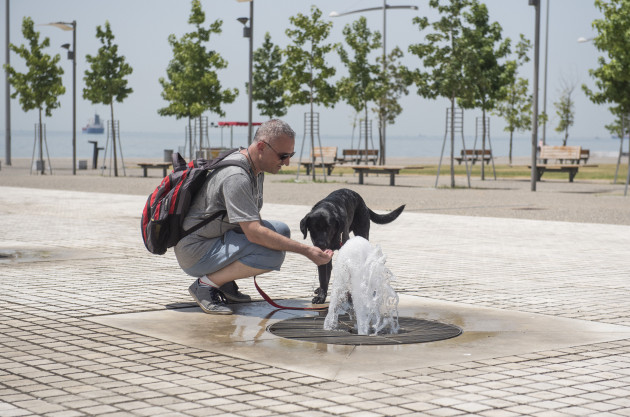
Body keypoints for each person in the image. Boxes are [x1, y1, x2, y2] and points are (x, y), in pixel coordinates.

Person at [175, 119, 333, 314]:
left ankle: (221, 280)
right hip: (195, 251)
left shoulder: (255, 169)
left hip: (213, 238)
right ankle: (205, 285)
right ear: (261, 147)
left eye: (290, 155)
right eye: (283, 156)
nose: (287, 162)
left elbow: (252, 225)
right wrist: (307, 251)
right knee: (271, 255)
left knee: (280, 230)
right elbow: (254, 233)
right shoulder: (237, 177)